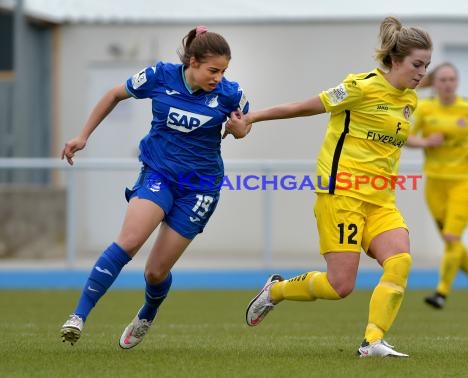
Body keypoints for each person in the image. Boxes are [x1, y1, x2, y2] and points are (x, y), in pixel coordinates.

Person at [225, 16, 432, 358]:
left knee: (400, 261)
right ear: (395, 60)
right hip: (342, 195)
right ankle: (276, 291)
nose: (422, 72)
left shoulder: (411, 100)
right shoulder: (360, 86)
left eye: (426, 64)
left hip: (381, 200)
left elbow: (384, 141)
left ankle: (372, 342)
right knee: (340, 286)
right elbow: (303, 106)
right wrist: (252, 118)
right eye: (417, 64)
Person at [59, 26, 249, 348]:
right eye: (212, 70)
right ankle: (78, 316)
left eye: (223, 71)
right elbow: (113, 94)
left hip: (199, 188)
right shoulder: (160, 76)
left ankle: (147, 312)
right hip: (159, 173)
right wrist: (82, 136)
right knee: (130, 240)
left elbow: (244, 125)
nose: (218, 77)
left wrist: (239, 129)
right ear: (192, 62)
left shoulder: (230, 93)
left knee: (155, 273)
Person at [406, 62, 468, 309]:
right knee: (451, 241)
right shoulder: (424, 108)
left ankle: (441, 292)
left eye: (451, 79)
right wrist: (425, 142)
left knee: (451, 235)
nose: (447, 84)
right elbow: (405, 136)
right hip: (435, 183)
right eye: (442, 80)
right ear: (434, 83)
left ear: (457, 82)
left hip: (465, 182)